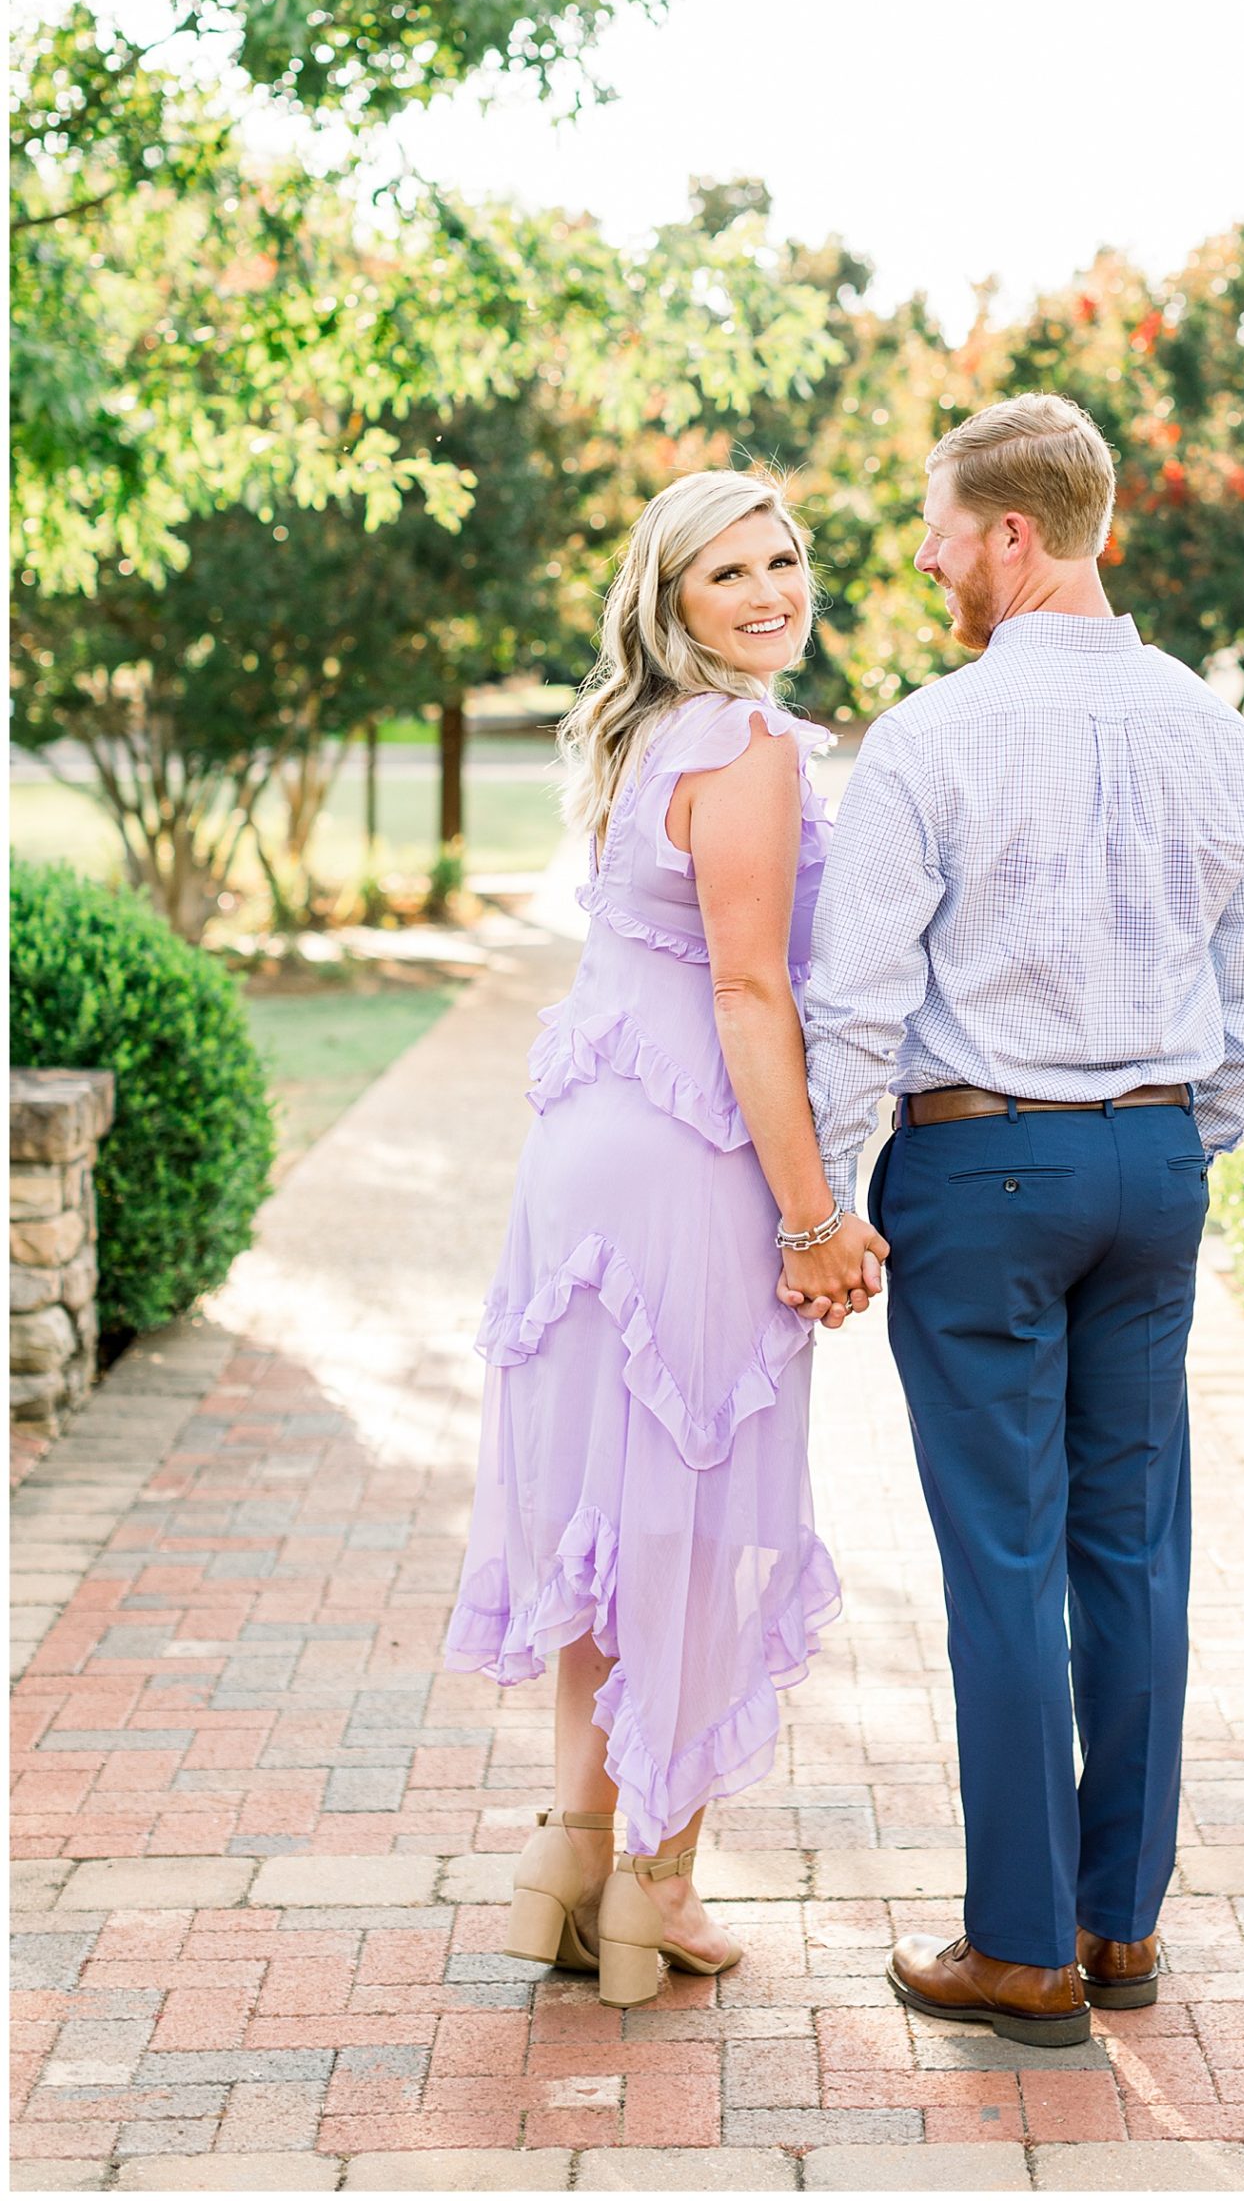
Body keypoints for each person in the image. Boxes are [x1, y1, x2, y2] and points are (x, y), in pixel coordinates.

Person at [796, 393, 1244, 2048]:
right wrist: (1171, 1144)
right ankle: (1120, 1920)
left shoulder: (929, 741)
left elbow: (856, 1005)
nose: (930, 556)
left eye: (943, 528)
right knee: (1132, 1547)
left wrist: (817, 1198)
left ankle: (1020, 1949)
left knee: (1004, 1559)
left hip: (978, 1174)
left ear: (1012, 535)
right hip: (1152, 1174)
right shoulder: (1221, 733)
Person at [444, 471, 885, 2011]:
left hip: (578, 1157)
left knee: (608, 1516)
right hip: (689, 1163)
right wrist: (815, 1217)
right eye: (727, 575)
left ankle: (566, 1862)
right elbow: (750, 997)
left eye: (783, 558)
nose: (770, 591)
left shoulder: (646, 737)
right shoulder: (751, 746)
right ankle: (659, 1896)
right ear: (671, 601)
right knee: (691, 1523)